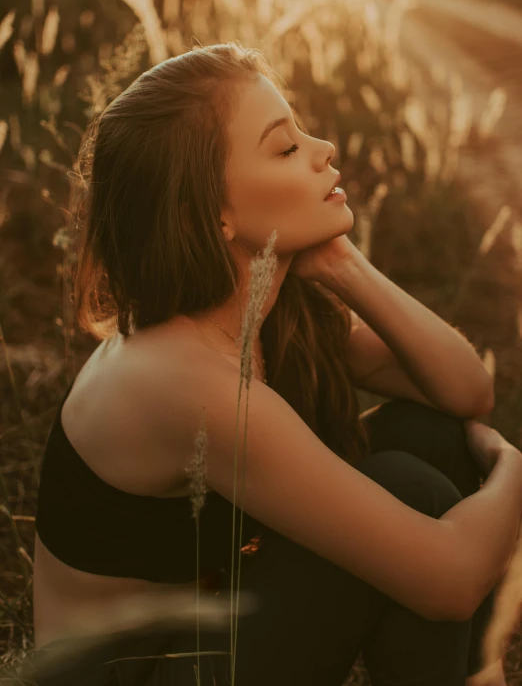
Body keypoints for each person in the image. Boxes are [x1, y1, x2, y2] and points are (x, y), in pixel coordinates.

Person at [30, 42, 522, 685]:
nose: (324, 150)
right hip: (140, 674)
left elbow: (465, 392)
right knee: (409, 488)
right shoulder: (185, 380)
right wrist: (513, 470)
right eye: (286, 147)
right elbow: (450, 583)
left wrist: (345, 265)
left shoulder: (267, 311)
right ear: (213, 214)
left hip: (201, 626)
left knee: (429, 440)